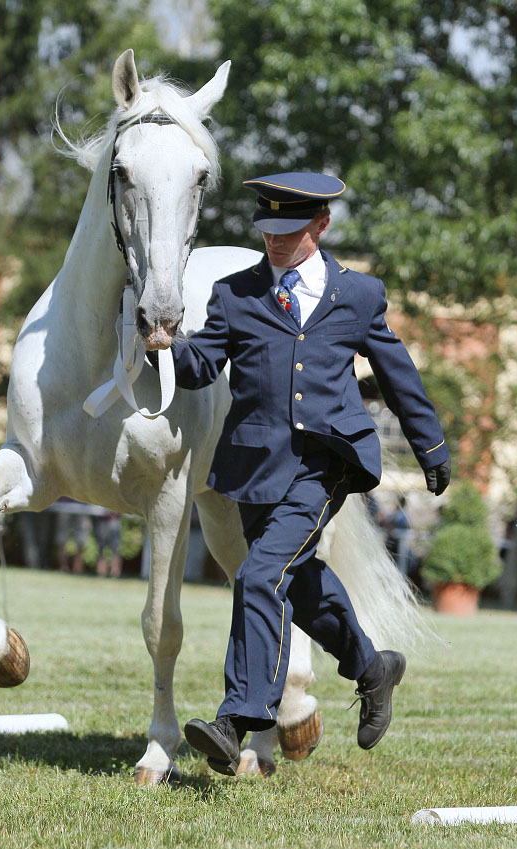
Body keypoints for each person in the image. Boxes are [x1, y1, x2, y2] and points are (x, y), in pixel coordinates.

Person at [149, 171, 451, 775]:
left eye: (288, 232)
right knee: (299, 582)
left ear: (320, 226)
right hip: (256, 463)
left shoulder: (358, 295)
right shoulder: (236, 295)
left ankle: (238, 717)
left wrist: (430, 446)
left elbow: (395, 373)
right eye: (267, 231)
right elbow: (204, 364)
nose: (275, 242)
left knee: (259, 573)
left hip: (325, 462)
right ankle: (372, 667)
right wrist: (167, 345)